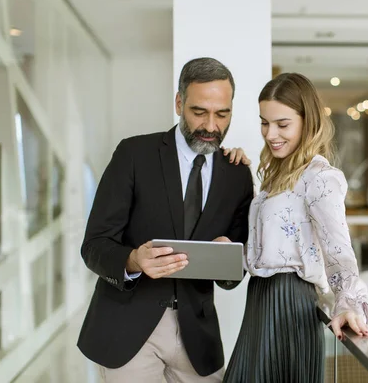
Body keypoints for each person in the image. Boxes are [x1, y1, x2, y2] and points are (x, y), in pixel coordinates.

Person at [77, 57, 253, 383]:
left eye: (222, 114)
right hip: (127, 331)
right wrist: (132, 260)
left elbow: (234, 272)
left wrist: (229, 254)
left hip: (198, 338)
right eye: (199, 112)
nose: (211, 126)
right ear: (178, 103)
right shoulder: (133, 155)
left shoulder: (238, 174)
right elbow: (94, 245)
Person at [222, 72, 368, 383]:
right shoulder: (275, 177)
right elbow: (272, 248)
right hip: (261, 298)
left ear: (308, 122)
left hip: (290, 301)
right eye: (265, 122)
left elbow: (338, 249)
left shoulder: (320, 177)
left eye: (282, 124)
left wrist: (347, 302)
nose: (270, 133)